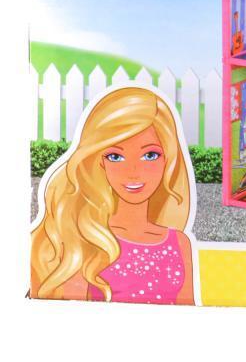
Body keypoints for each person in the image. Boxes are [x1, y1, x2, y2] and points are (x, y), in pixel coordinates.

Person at [31, 86, 196, 304]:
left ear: (169, 159)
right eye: (115, 157)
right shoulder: (87, 238)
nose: (133, 171)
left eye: (150, 155)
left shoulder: (180, 243)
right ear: (99, 161)